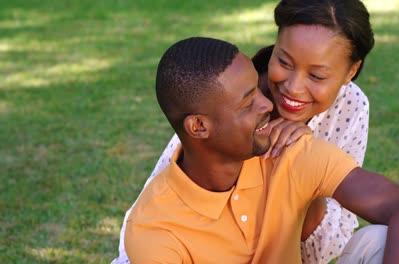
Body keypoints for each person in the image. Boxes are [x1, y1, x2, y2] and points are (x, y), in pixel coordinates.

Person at [124, 36, 399, 263]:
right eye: (248, 101)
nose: (267, 104)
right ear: (199, 127)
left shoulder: (287, 149)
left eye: (258, 90)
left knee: (377, 242)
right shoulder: (153, 230)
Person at [113, 1, 376, 263]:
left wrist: (309, 174)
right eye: (284, 61)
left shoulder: (350, 105)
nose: (294, 88)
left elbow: (326, 247)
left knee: (378, 241)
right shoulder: (222, 104)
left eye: (317, 76)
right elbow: (155, 218)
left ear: (350, 71)